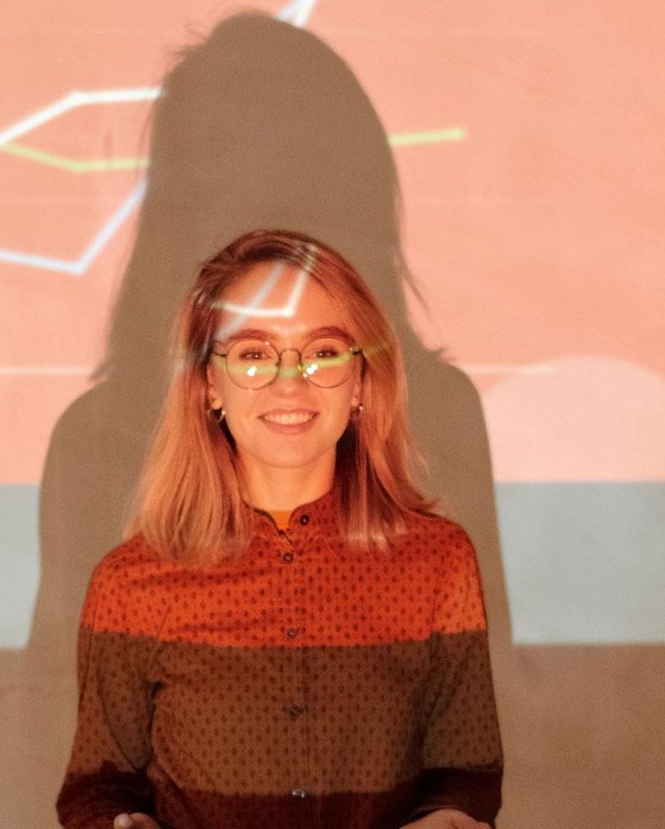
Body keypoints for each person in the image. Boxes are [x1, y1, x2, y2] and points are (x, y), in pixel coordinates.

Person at [56, 230, 502, 829]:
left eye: (322, 352)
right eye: (253, 354)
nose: (289, 382)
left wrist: (451, 816)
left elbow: (466, 776)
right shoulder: (131, 584)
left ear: (362, 382)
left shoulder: (438, 562)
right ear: (209, 384)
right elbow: (97, 790)